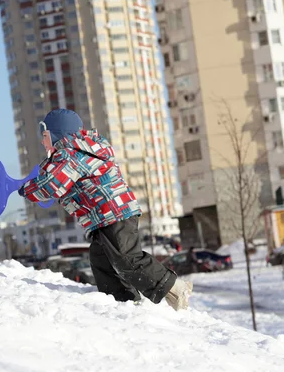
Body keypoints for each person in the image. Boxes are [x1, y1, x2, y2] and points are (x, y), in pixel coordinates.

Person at [18, 109, 193, 310]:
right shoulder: (79, 151)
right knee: (102, 262)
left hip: (113, 213)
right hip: (105, 217)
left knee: (126, 258)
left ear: (58, 134)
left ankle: (176, 289)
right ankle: (123, 302)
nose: (42, 142)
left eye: (45, 136)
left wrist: (27, 190)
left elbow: (52, 184)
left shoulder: (69, 154)